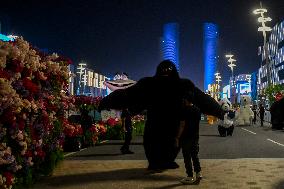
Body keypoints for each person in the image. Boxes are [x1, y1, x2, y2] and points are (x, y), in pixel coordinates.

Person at [98, 60, 224, 171]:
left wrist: (105, 102)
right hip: (169, 124)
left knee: (158, 143)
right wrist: (220, 112)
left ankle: (160, 162)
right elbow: (202, 99)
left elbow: (127, 95)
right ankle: (160, 162)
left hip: (156, 125)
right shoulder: (181, 85)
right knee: (167, 143)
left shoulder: (149, 84)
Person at [175, 98, 202, 184]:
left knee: (187, 157)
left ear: (186, 100)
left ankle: (190, 176)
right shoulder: (197, 110)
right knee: (195, 155)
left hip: (186, 137)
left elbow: (182, 125)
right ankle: (198, 173)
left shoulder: (184, 110)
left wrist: (177, 137)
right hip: (195, 136)